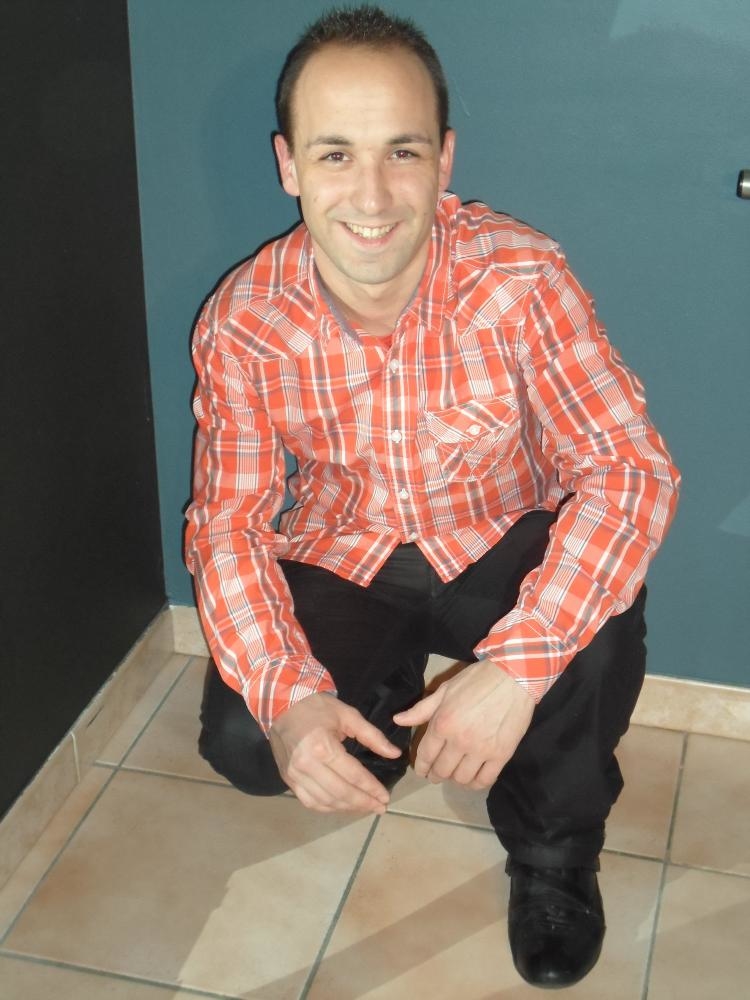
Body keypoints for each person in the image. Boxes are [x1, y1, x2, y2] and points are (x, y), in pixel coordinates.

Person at [185, 5, 679, 989]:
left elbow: (630, 470)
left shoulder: (521, 275)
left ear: (444, 158)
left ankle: (554, 857)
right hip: (346, 550)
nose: (371, 195)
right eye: (335, 154)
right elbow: (227, 526)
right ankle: (381, 711)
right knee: (246, 737)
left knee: (593, 627)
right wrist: (288, 700)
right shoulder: (242, 323)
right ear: (289, 165)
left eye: (401, 151)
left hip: (498, 539)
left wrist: (516, 672)